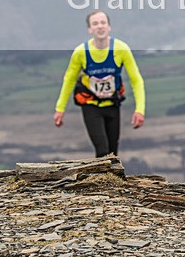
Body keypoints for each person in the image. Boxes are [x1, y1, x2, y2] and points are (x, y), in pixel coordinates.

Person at [53, 10, 145, 157]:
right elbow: (69, 79)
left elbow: (136, 79)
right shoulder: (81, 52)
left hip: (113, 104)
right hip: (91, 105)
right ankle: (101, 180)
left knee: (113, 153)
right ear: (89, 29)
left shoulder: (121, 49)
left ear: (109, 27)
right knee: (102, 151)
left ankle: (112, 180)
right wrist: (60, 109)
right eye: (95, 23)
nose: (100, 26)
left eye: (103, 23)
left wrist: (139, 110)